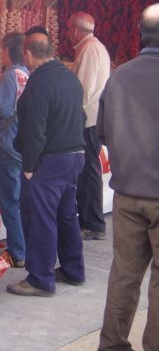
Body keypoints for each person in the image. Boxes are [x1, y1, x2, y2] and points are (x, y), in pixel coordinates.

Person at [97, 4, 159, 350]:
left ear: (141, 35)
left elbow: (102, 132)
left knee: (124, 274)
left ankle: (111, 344)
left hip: (127, 192)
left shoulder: (119, 75)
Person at [7, 32, 86, 297]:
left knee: (41, 219)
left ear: (28, 54)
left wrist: (29, 166)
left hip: (50, 159)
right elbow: (81, 116)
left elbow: (35, 129)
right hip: (74, 155)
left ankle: (41, 278)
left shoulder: (39, 82)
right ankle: (73, 270)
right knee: (66, 215)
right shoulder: (69, 77)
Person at [68, 12, 111, 240]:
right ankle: (90, 221)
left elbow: (82, 90)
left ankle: (93, 224)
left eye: (69, 29)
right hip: (91, 118)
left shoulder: (89, 49)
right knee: (87, 171)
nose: (68, 34)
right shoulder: (93, 47)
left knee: (88, 172)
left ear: (75, 30)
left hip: (88, 120)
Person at [0, 33, 29, 268]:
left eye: (1, 50)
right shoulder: (28, 73)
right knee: (22, 200)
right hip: (24, 145)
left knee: (10, 201)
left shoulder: (8, 76)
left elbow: (3, 111)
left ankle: (17, 252)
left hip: (7, 144)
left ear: (7, 50)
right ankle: (24, 245)